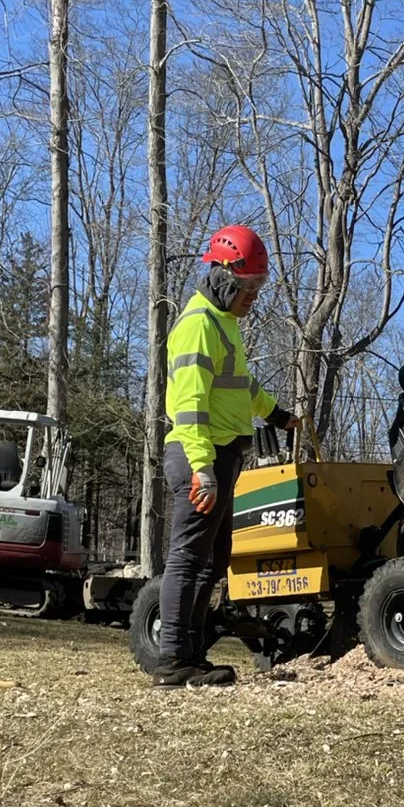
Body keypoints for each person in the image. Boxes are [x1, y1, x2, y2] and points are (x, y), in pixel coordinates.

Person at [152, 225, 298, 689]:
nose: (253, 296)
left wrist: (280, 416)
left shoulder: (224, 326)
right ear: (223, 277)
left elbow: (242, 390)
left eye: (259, 287)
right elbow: (188, 407)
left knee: (213, 560)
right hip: (202, 454)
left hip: (223, 454)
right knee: (189, 558)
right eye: (248, 287)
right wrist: (202, 468)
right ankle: (174, 659)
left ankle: (192, 657)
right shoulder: (198, 326)